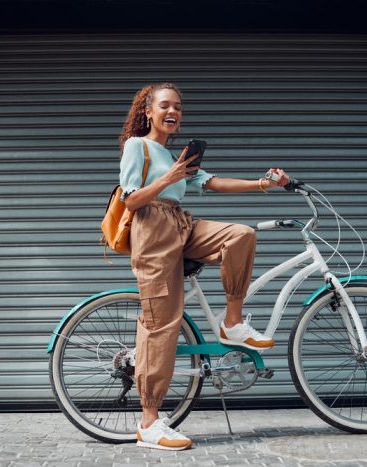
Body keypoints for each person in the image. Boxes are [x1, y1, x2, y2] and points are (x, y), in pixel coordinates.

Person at [118, 82, 289, 450]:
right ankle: (149, 423)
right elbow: (130, 201)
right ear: (148, 111)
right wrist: (168, 178)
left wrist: (264, 184)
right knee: (162, 325)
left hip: (181, 223)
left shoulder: (177, 157)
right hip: (152, 234)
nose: (172, 111)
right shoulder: (138, 147)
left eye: (178, 107)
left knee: (240, 234)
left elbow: (213, 182)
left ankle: (232, 322)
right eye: (165, 105)